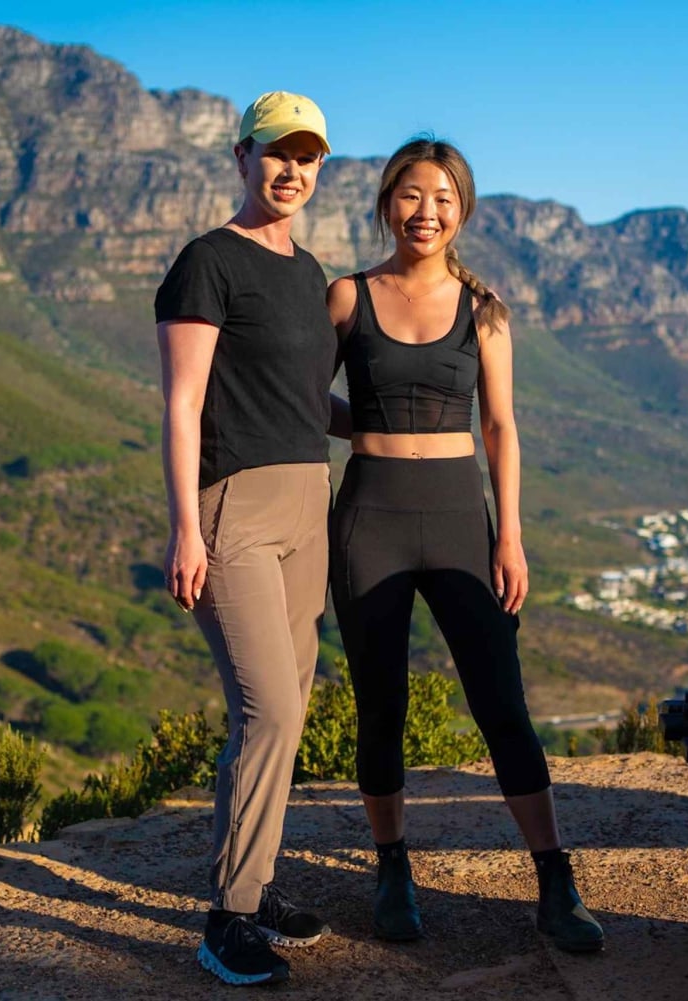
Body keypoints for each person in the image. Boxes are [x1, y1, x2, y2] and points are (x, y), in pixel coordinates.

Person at [326, 136, 605, 953]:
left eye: (443, 198)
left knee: (501, 701)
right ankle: (392, 868)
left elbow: (501, 427)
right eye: (412, 195)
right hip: (369, 518)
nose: (427, 211)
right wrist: (369, 427)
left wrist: (509, 534)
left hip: (460, 518)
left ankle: (554, 878)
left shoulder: (485, 308)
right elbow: (301, 397)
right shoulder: (346, 297)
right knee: (381, 704)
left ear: (463, 210)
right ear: (388, 202)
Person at [154, 90, 345, 987]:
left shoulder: (309, 273)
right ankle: (226, 920)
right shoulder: (207, 262)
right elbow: (182, 402)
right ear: (241, 156)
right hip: (234, 508)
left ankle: (255, 881)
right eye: (277, 153)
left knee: (284, 709)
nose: (291, 170)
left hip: (309, 504)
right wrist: (185, 528)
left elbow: (305, 399)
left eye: (307, 157)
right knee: (269, 709)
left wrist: (398, 423)